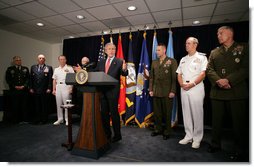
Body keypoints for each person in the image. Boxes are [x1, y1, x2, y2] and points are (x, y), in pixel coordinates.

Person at [206, 26, 249, 160]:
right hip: (217, 92)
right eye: (218, 34)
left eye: (221, 33)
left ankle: (240, 149)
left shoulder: (244, 48)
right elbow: (209, 69)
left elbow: (246, 68)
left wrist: (228, 80)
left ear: (230, 33)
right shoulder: (214, 52)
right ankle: (215, 144)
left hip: (235, 92)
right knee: (216, 121)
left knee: (238, 123)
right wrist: (219, 80)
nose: (218, 36)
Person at [176, 37, 208, 149]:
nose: (186, 45)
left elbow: (203, 74)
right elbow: (179, 74)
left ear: (195, 45)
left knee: (197, 114)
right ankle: (188, 136)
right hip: (184, 88)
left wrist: (192, 84)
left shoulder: (202, 57)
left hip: (196, 88)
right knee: (186, 113)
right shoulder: (183, 59)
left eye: (189, 43)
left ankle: (197, 138)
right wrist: (181, 84)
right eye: (186, 43)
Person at [95, 42, 128, 143]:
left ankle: (117, 135)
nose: (111, 50)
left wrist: (124, 69)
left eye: (113, 49)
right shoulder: (101, 62)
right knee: (104, 114)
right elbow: (95, 72)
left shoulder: (119, 61)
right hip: (102, 92)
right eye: (109, 49)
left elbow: (124, 73)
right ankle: (107, 134)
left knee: (114, 114)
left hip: (113, 91)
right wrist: (82, 71)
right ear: (105, 51)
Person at [149, 43, 178, 140]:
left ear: (164, 50)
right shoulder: (154, 62)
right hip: (156, 91)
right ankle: (158, 129)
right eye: (156, 50)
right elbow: (151, 77)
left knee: (167, 113)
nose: (157, 52)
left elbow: (174, 78)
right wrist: (151, 89)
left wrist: (173, 91)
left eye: (159, 50)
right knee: (157, 113)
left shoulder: (172, 61)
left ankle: (167, 131)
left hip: (167, 91)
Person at [5, 56, 30, 123]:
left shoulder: (25, 69)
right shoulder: (10, 69)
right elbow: (8, 80)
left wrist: (24, 86)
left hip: (24, 90)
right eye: (17, 60)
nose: (19, 61)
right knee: (15, 106)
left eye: (19, 60)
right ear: (14, 61)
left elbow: (28, 79)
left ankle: (25, 119)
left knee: (24, 105)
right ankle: (16, 120)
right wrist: (14, 86)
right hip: (14, 91)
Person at [30, 54, 53, 124]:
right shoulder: (33, 67)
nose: (41, 59)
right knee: (37, 105)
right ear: (38, 60)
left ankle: (44, 119)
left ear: (44, 60)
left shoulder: (48, 67)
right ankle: (37, 119)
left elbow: (50, 79)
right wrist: (31, 87)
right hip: (35, 89)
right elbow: (31, 78)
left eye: (43, 58)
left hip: (44, 89)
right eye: (40, 58)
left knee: (44, 105)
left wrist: (49, 88)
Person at [52, 55, 74, 126]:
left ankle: (67, 119)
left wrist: (71, 88)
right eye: (60, 59)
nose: (62, 60)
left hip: (66, 86)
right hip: (58, 87)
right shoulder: (56, 69)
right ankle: (60, 119)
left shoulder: (69, 68)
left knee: (66, 104)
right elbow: (54, 80)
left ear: (66, 60)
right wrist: (53, 89)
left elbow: (72, 78)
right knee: (58, 104)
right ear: (59, 60)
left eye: (63, 59)